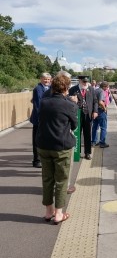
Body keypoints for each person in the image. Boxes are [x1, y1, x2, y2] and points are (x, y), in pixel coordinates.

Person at [36, 71, 78, 224]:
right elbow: (74, 124)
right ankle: (59, 214)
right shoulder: (69, 104)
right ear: (66, 88)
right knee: (61, 180)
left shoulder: (44, 102)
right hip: (61, 147)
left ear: (52, 87)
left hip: (43, 145)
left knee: (47, 179)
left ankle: (48, 212)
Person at [68, 76, 98, 160]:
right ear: (79, 81)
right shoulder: (73, 89)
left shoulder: (91, 89)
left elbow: (95, 101)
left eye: (86, 82)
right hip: (77, 114)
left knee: (88, 134)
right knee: (77, 134)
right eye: (83, 82)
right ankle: (76, 153)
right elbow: (68, 102)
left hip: (88, 115)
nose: (85, 83)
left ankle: (87, 153)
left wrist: (95, 111)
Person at [29, 72, 52, 168]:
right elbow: (38, 105)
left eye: (48, 79)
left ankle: (45, 159)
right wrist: (43, 117)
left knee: (47, 140)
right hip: (39, 119)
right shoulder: (38, 89)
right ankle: (36, 160)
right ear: (41, 79)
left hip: (48, 119)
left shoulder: (51, 89)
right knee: (37, 140)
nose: (46, 81)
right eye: (44, 79)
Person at [91, 81, 110, 148]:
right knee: (103, 127)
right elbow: (100, 102)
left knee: (95, 127)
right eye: (107, 87)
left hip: (94, 111)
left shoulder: (95, 90)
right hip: (101, 111)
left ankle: (93, 141)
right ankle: (102, 143)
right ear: (104, 86)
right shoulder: (101, 91)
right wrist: (104, 108)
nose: (107, 88)